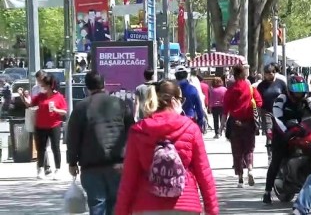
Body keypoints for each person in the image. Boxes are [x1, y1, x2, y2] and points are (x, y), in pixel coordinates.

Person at [115, 80, 219, 215]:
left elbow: (129, 178)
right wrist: (212, 210)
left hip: (147, 206)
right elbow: (204, 174)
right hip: (186, 205)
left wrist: (121, 211)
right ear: (175, 101)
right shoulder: (191, 128)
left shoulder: (139, 131)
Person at [67, 71, 134, 215]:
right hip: (118, 164)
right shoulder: (120, 104)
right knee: (116, 204)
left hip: (91, 166)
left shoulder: (80, 108)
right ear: (104, 84)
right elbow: (132, 133)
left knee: (97, 204)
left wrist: (72, 162)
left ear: (87, 87)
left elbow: (73, 137)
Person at [263, 75, 311, 204]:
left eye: (301, 88)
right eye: (296, 88)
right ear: (290, 89)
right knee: (277, 159)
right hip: (283, 133)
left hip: (302, 130)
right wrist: (286, 132)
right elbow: (277, 118)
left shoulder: (306, 99)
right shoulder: (281, 99)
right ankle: (267, 191)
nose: (299, 92)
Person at [219, 65, 262, 188]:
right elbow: (259, 102)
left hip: (235, 123)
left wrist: (221, 127)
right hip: (249, 123)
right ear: (244, 74)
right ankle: (250, 169)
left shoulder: (230, 91)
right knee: (249, 148)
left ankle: (240, 178)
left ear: (234, 75)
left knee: (237, 151)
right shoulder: (250, 89)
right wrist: (255, 114)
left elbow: (225, 110)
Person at [19, 74, 67, 180]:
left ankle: (58, 169)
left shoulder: (58, 97)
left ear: (50, 86)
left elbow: (64, 111)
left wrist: (55, 110)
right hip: (40, 126)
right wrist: (22, 96)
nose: (42, 87)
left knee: (56, 148)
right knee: (41, 149)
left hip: (54, 125)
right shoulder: (40, 96)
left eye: (44, 85)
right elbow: (30, 104)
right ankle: (40, 169)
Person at [257, 64, 287, 138]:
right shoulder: (261, 85)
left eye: (272, 72)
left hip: (280, 111)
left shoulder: (281, 83)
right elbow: (258, 99)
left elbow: (286, 96)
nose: (270, 74)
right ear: (265, 74)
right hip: (266, 111)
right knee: (269, 132)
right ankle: (270, 146)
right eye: (268, 72)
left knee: (280, 132)